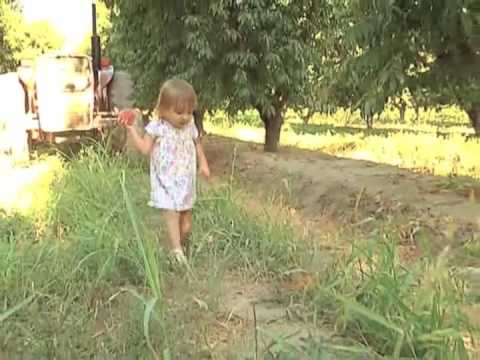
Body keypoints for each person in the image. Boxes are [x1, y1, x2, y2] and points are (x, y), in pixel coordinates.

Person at [118, 78, 210, 265]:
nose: (185, 116)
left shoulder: (189, 126)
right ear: (163, 109)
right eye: (179, 112)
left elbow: (197, 144)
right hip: (165, 181)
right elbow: (145, 148)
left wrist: (204, 163)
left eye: (189, 112)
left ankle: (174, 248)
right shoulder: (157, 127)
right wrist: (132, 131)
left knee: (186, 224)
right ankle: (177, 252)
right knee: (171, 214)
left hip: (185, 181)